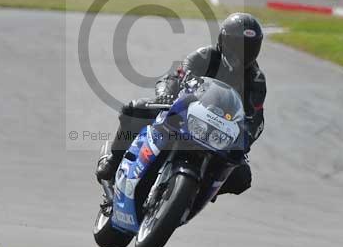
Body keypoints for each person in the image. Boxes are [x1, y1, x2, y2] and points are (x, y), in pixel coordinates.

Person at [95, 12, 266, 196]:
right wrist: (166, 96)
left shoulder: (256, 80)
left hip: (217, 132)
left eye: (249, 47)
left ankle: (195, 192)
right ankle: (113, 160)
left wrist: (246, 137)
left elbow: (256, 118)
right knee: (133, 110)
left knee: (241, 178)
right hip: (184, 111)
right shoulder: (205, 55)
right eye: (237, 44)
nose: (242, 52)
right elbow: (176, 77)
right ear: (224, 40)